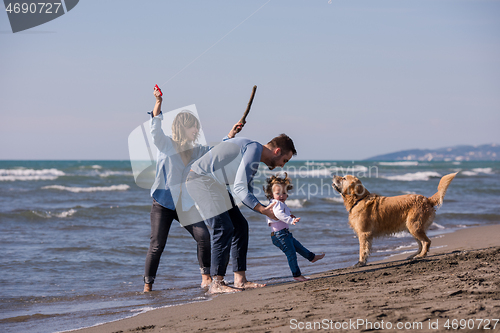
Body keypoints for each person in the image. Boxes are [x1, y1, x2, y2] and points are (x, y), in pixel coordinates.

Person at [144, 86, 243, 292]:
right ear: (182, 128)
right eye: (193, 128)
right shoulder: (166, 144)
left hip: (184, 204)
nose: (197, 131)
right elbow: (154, 130)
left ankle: (206, 277)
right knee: (157, 246)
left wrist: (230, 135)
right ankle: (148, 286)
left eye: (197, 128)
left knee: (203, 236)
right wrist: (159, 103)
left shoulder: (197, 150)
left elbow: (215, 151)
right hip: (162, 203)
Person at [186, 133, 297, 293]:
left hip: (215, 184)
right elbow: (239, 188)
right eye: (284, 160)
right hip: (200, 180)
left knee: (240, 226)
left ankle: (240, 280)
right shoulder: (253, 148)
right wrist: (262, 209)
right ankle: (217, 283)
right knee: (223, 227)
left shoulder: (253, 153)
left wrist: (265, 209)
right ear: (277, 151)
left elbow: (246, 188)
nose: (282, 166)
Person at [263, 172, 325, 282]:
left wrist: (289, 216)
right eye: (278, 193)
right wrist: (290, 220)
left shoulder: (275, 202)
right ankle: (297, 274)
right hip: (280, 235)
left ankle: (312, 257)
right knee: (291, 254)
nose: (281, 196)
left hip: (283, 234)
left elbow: (280, 215)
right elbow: (278, 214)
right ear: (271, 193)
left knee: (298, 247)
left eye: (284, 193)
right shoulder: (277, 203)